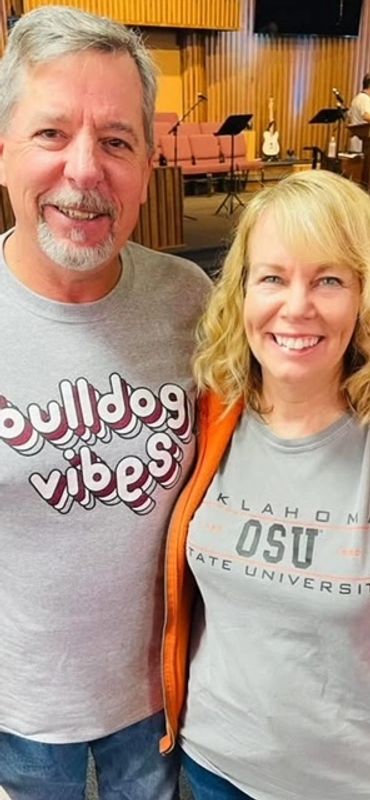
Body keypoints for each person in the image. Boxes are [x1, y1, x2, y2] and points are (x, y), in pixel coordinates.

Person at [0, 5, 210, 798]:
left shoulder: (189, 300)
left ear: (149, 165)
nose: (85, 170)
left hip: (159, 697)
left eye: (116, 141)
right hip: (18, 711)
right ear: (3, 153)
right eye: (52, 134)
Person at [161, 169, 370, 799]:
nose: (296, 306)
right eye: (273, 277)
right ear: (243, 293)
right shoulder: (212, 416)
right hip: (212, 764)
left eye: (328, 279)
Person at [348, 72, 370, 152]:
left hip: (358, 141)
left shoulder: (357, 98)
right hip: (363, 143)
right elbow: (367, 116)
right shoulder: (365, 99)